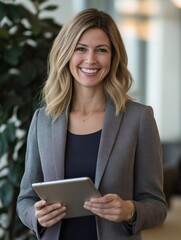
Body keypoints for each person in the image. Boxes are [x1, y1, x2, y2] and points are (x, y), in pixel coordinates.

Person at [17, 8, 167, 240]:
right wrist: (35, 216)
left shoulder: (138, 118)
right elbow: (25, 199)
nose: (91, 60)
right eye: (81, 49)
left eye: (101, 50)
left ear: (113, 56)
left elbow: (157, 206)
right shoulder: (43, 120)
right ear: (66, 53)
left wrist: (130, 211)